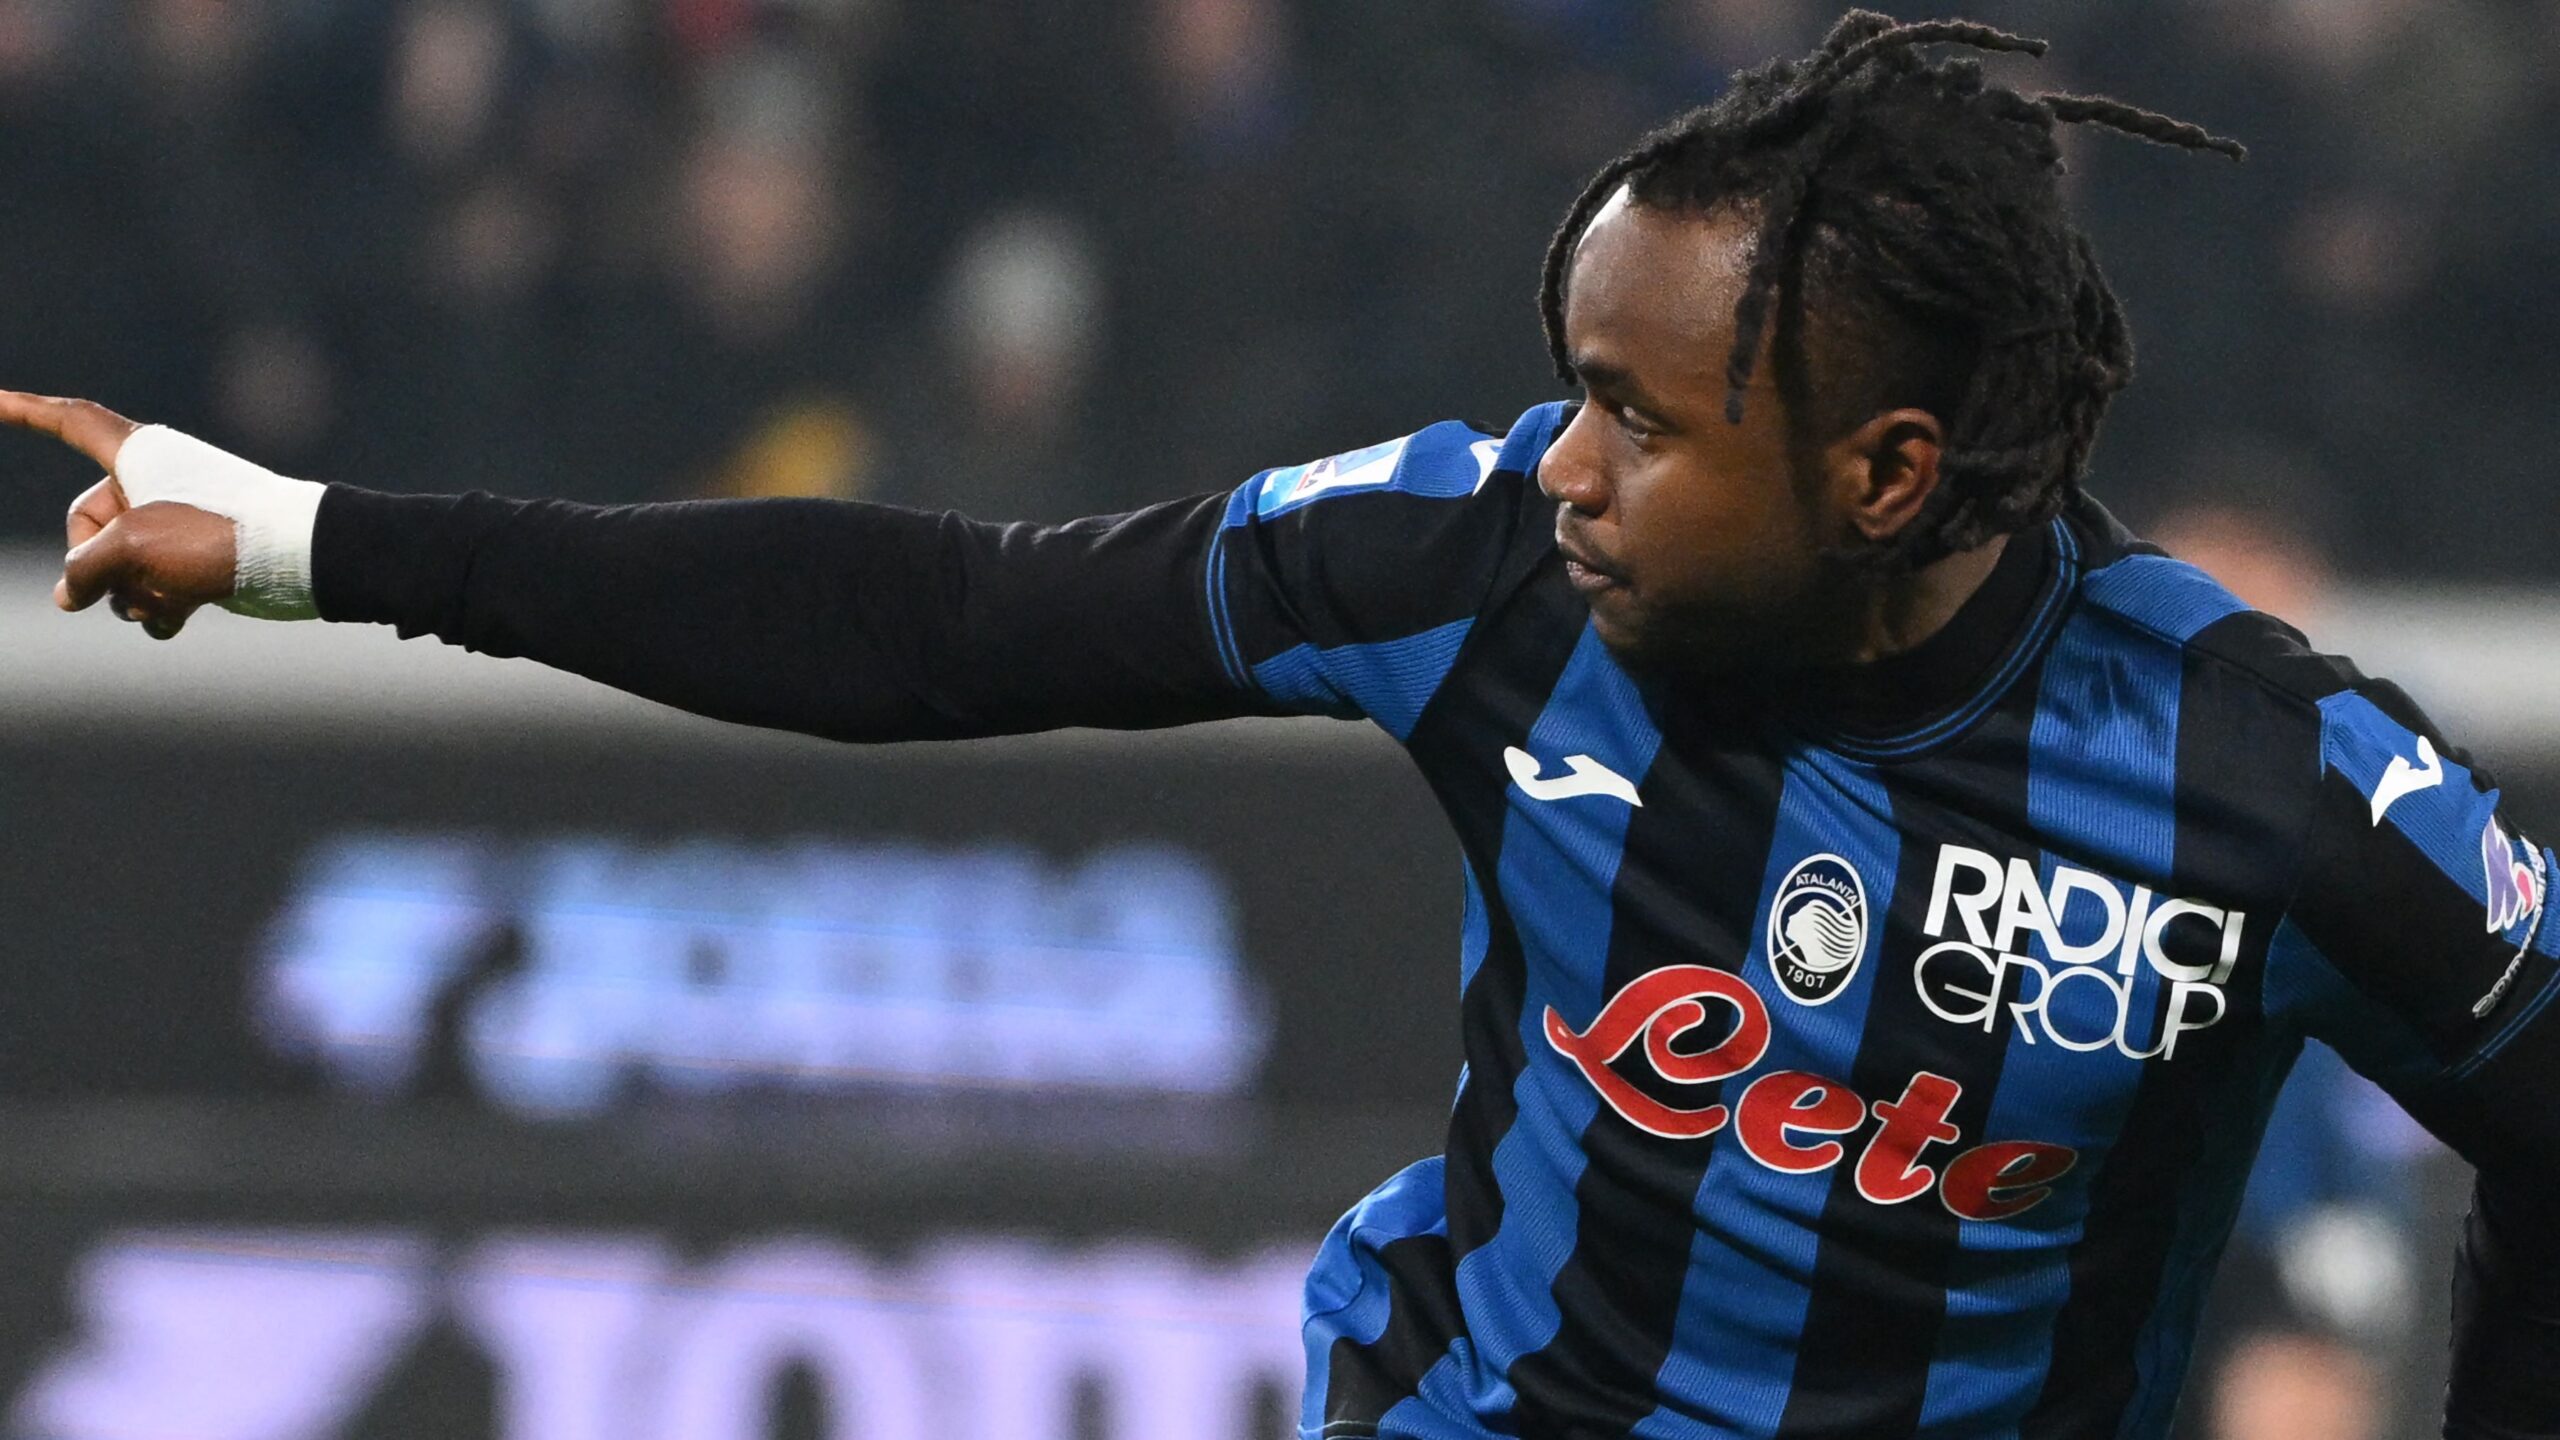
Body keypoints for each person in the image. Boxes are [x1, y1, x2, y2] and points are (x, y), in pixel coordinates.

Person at [5, 13, 2554, 1439]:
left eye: (1641, 420)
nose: (1566, 467)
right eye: (1570, 387)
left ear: (1885, 474)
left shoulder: (2262, 776)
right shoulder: (1477, 562)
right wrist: (317, 536)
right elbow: (943, 621)